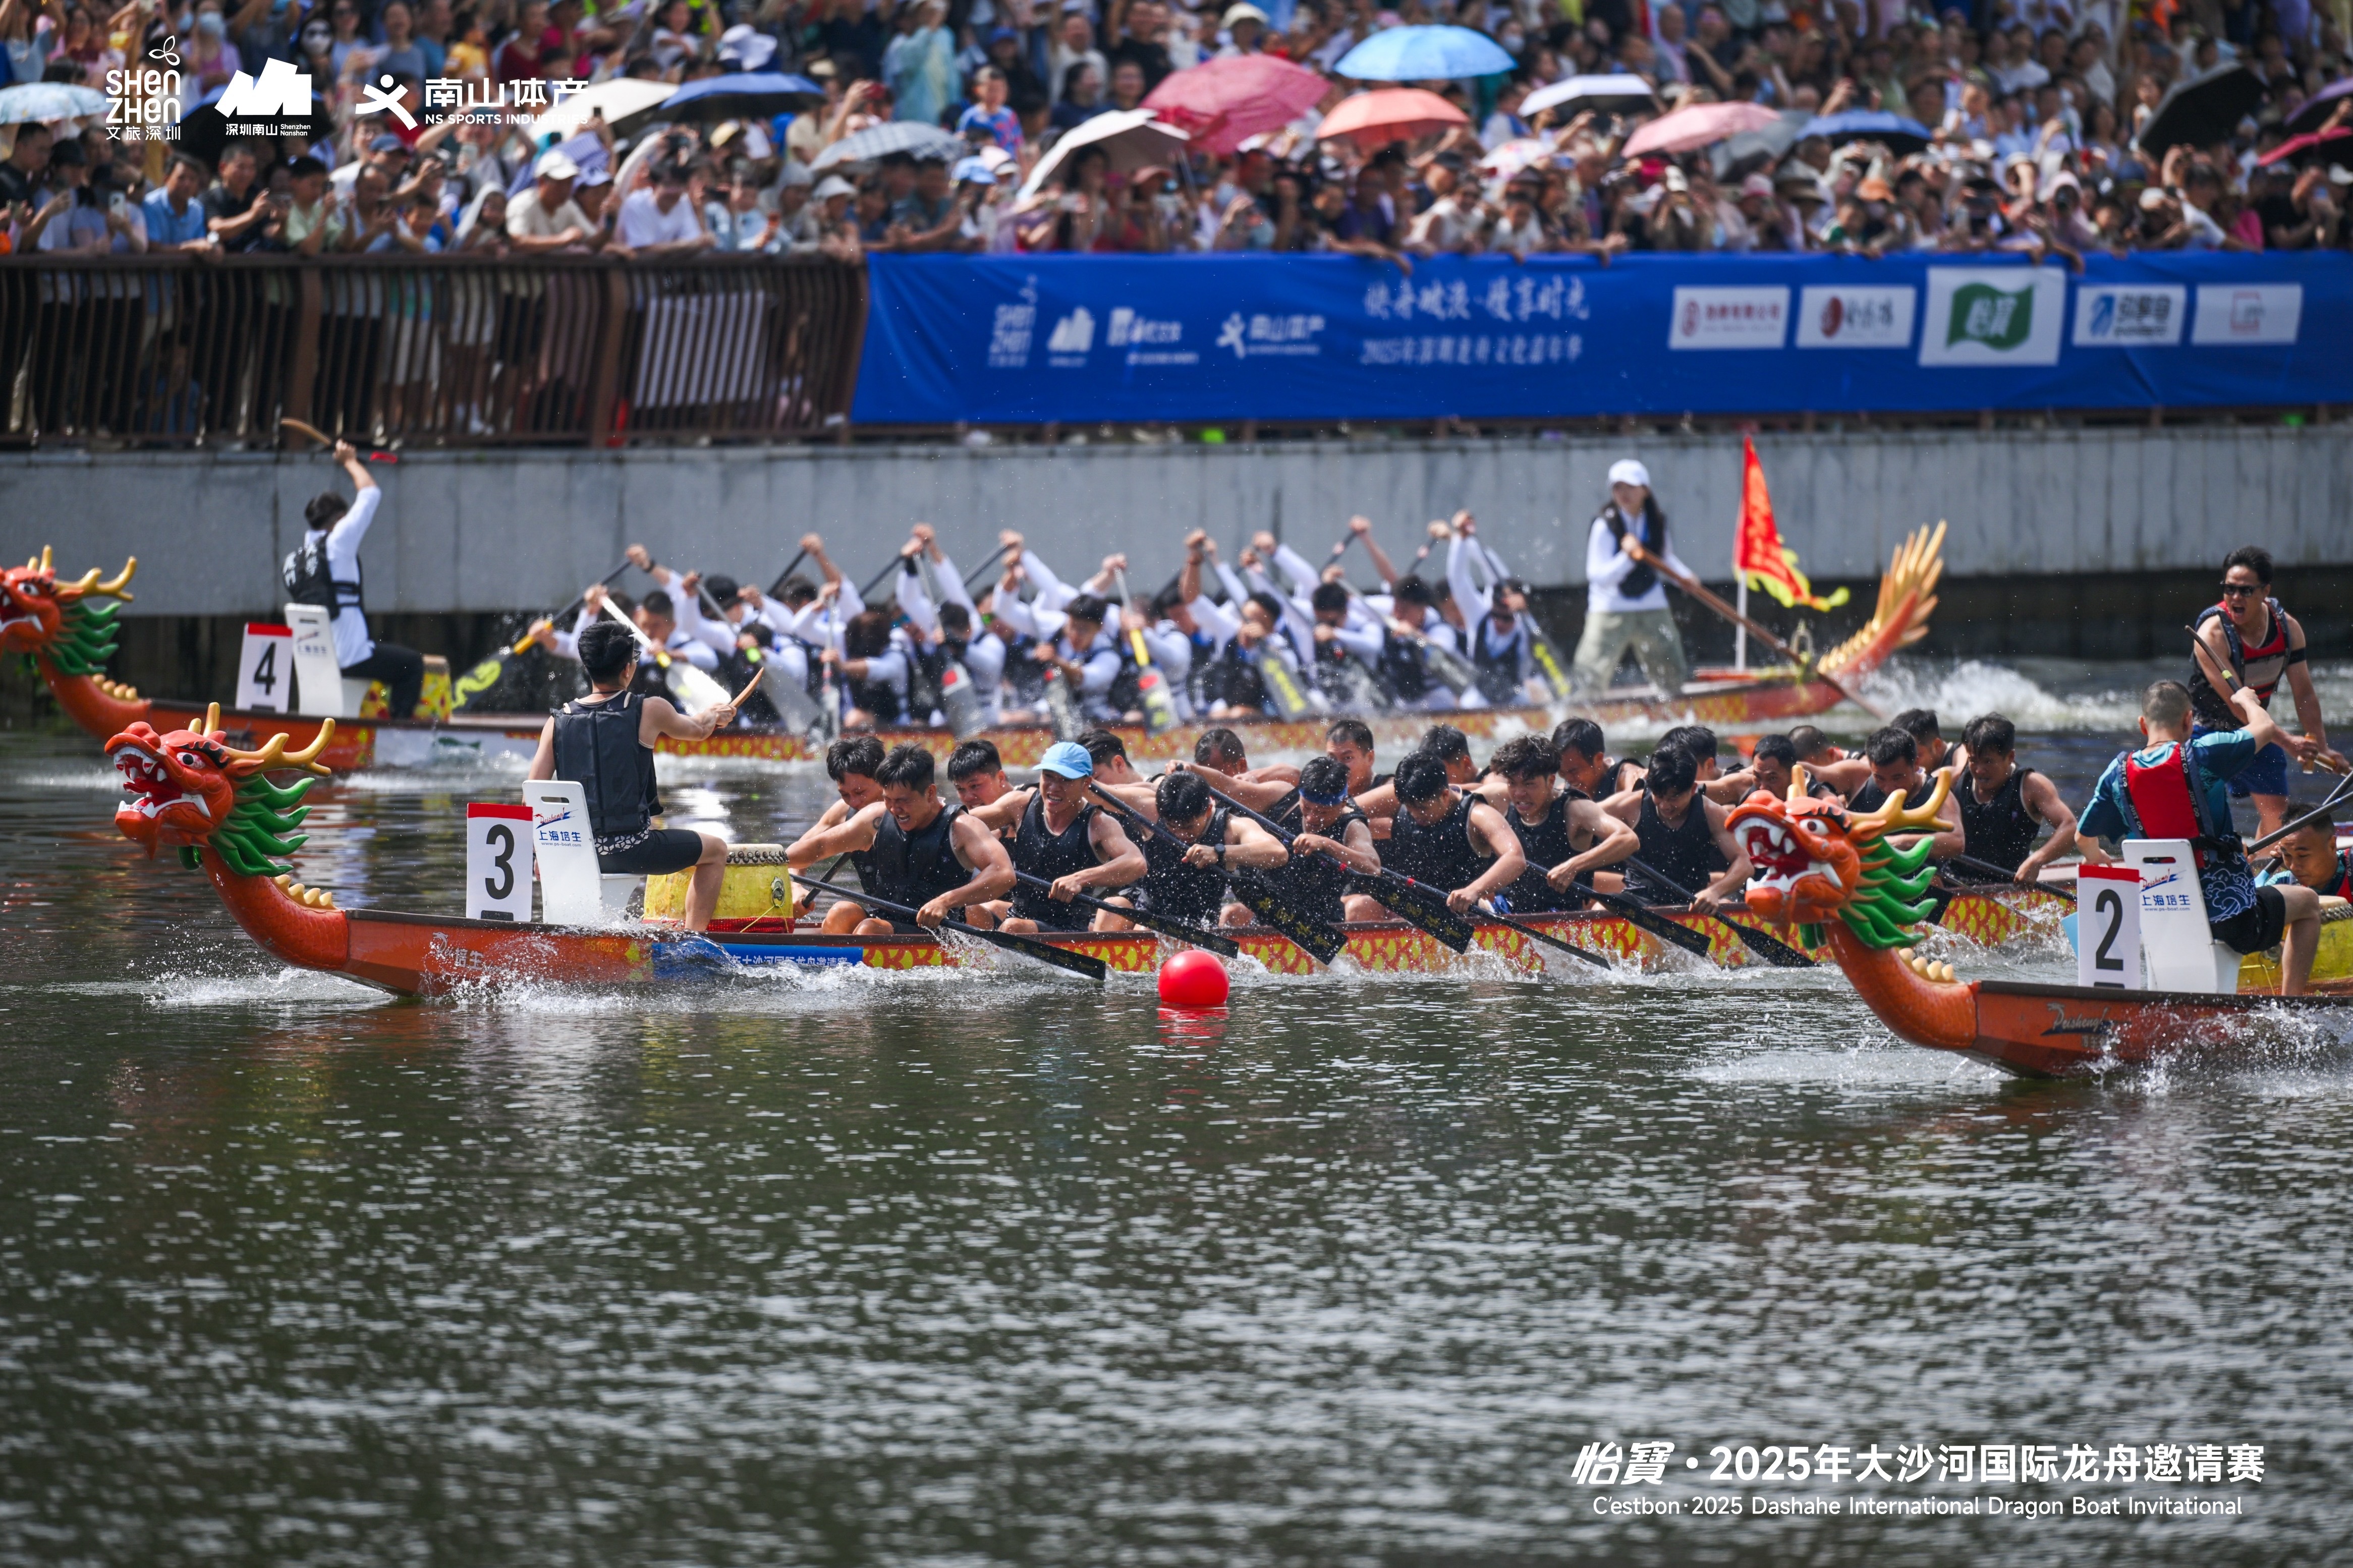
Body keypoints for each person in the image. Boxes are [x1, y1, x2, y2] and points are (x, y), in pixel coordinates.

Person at [2079, 680, 2325, 996]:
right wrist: (2248, 701)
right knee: (2308, 902)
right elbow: (2264, 728)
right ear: (2188, 720)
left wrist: (2095, 857)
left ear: (2143, 725)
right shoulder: (2206, 754)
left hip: (2159, 920)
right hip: (2230, 919)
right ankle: (2292, 1006)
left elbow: (2083, 837)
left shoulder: (2115, 774)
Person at [527, 621, 739, 931]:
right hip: (635, 849)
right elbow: (699, 731)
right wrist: (714, 715)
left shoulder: (557, 722)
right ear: (629, 669)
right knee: (717, 850)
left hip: (574, 853)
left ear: (587, 667)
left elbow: (529, 797)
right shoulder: (649, 710)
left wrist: (539, 853)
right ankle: (695, 941)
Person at [2188, 547, 2342, 839]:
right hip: (2207, 736)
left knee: (2278, 825)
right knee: (2203, 824)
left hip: (2259, 734)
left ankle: (2257, 876)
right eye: (2229, 589)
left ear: (2265, 591)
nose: (2235, 598)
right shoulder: (2212, 635)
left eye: (2245, 590)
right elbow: (2239, 706)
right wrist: (2289, 743)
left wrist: (2320, 746)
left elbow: (2305, 693)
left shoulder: (2289, 630)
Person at [782, 743, 1013, 934]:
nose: (895, 810)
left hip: (939, 929)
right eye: (888, 800)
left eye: (903, 801)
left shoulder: (962, 827)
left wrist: (946, 902)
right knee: (840, 912)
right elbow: (820, 847)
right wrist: (768, 858)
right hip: (884, 919)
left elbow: (1003, 874)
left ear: (930, 793)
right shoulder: (877, 817)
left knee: (869, 930)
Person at [279, 439, 425, 718]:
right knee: (412, 666)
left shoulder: (293, 561)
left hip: (315, 659)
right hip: (350, 657)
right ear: (341, 519)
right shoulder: (338, 543)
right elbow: (370, 494)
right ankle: (397, 738)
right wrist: (349, 461)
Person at [970, 741, 1145, 934]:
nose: (1054, 788)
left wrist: (1080, 879)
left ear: (1086, 783)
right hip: (1018, 914)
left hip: (1067, 929)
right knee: (967, 910)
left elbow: (1136, 863)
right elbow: (962, 824)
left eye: (1065, 780)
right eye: (1049, 777)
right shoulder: (1019, 805)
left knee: (1013, 927)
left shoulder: (1099, 824)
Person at [1093, 769, 1285, 933]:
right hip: (1148, 910)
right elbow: (1094, 792)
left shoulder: (1232, 827)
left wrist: (1220, 852)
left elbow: (1278, 853)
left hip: (1198, 923)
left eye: (1189, 827)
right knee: (1112, 907)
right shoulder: (1150, 810)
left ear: (1209, 809)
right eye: (1171, 826)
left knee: (1149, 929)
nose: (1179, 833)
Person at [1476, 734, 1638, 913]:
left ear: (1551, 781)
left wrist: (1574, 866)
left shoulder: (1575, 810)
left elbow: (1628, 839)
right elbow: (1455, 802)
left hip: (1559, 916)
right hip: (1507, 910)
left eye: (1529, 784)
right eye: (1512, 784)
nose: (1519, 794)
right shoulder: (1500, 798)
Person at [1574, 459, 1692, 695]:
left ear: (1645, 490)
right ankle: (1585, 710)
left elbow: (1665, 557)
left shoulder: (1657, 520)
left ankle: (1672, 703)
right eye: (1618, 488)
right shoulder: (1604, 525)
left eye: (1630, 487)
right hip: (1610, 606)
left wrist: (1685, 577)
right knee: (1591, 669)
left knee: (1669, 660)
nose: (1623, 494)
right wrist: (1628, 557)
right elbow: (1598, 577)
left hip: (1651, 601)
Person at [1600, 744, 1753, 908]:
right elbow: (1581, 817)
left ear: (1694, 788)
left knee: (1725, 902)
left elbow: (1744, 863)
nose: (1665, 806)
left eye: (1674, 798)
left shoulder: (1711, 813)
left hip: (1691, 905)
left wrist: (1715, 892)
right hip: (1638, 902)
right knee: (1599, 907)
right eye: (1659, 796)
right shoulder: (1630, 805)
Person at [1382, 750, 1525, 915]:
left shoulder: (1478, 815)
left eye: (1422, 809)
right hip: (1414, 912)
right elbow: (1351, 811)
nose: (1415, 815)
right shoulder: (1404, 798)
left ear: (1444, 795)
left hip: (1467, 914)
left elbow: (1516, 858)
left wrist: (1474, 891)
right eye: (1409, 809)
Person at [1253, 754, 1388, 925]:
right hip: (1268, 911)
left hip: (1319, 924)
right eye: (1307, 807)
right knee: (1231, 912)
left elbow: (1373, 868)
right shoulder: (1284, 798)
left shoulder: (1353, 826)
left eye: (1322, 812)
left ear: (1343, 803)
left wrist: (1327, 844)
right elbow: (1229, 786)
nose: (1311, 818)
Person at [1952, 713, 2080, 883]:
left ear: (2011, 757)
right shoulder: (1957, 778)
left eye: (1988, 762)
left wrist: (2037, 860)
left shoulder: (2031, 786)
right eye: (1973, 760)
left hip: (2004, 887)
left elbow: (2070, 827)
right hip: (1953, 881)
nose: (1979, 770)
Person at [1845, 727, 1965, 858]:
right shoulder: (1857, 777)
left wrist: (1902, 842)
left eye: (1897, 778)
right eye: (1880, 778)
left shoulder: (1938, 794)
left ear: (1916, 764)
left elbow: (1957, 841)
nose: (1889, 788)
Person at [1553, 718, 1644, 800]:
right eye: (1562, 773)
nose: (1568, 779)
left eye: (1574, 771)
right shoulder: (1564, 792)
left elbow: (1636, 795)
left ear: (1598, 759)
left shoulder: (1626, 777)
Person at [2268, 815, 2351, 901]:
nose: (2293, 867)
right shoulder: (2282, 883)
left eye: (2302, 855)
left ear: (2332, 846)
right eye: (2287, 855)